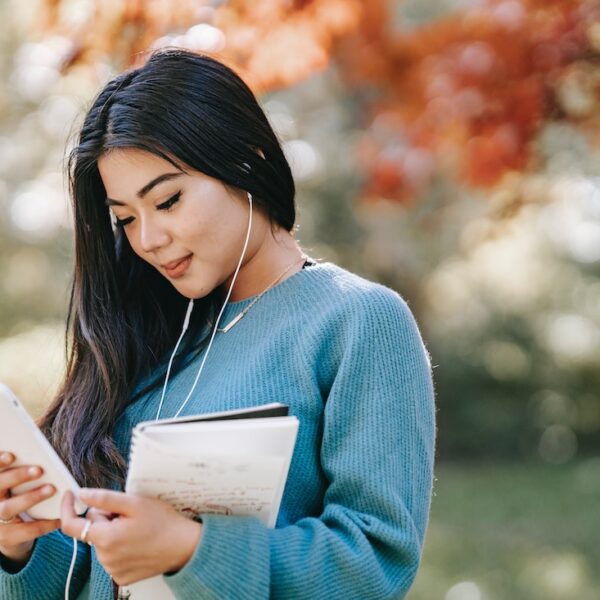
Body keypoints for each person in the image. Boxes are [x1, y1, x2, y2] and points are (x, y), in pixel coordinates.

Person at [0, 48, 436, 599]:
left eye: (168, 200)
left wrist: (192, 549)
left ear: (246, 160)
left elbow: (376, 564)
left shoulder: (356, 322)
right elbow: (91, 578)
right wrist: (21, 544)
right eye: (127, 218)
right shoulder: (150, 333)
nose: (148, 240)